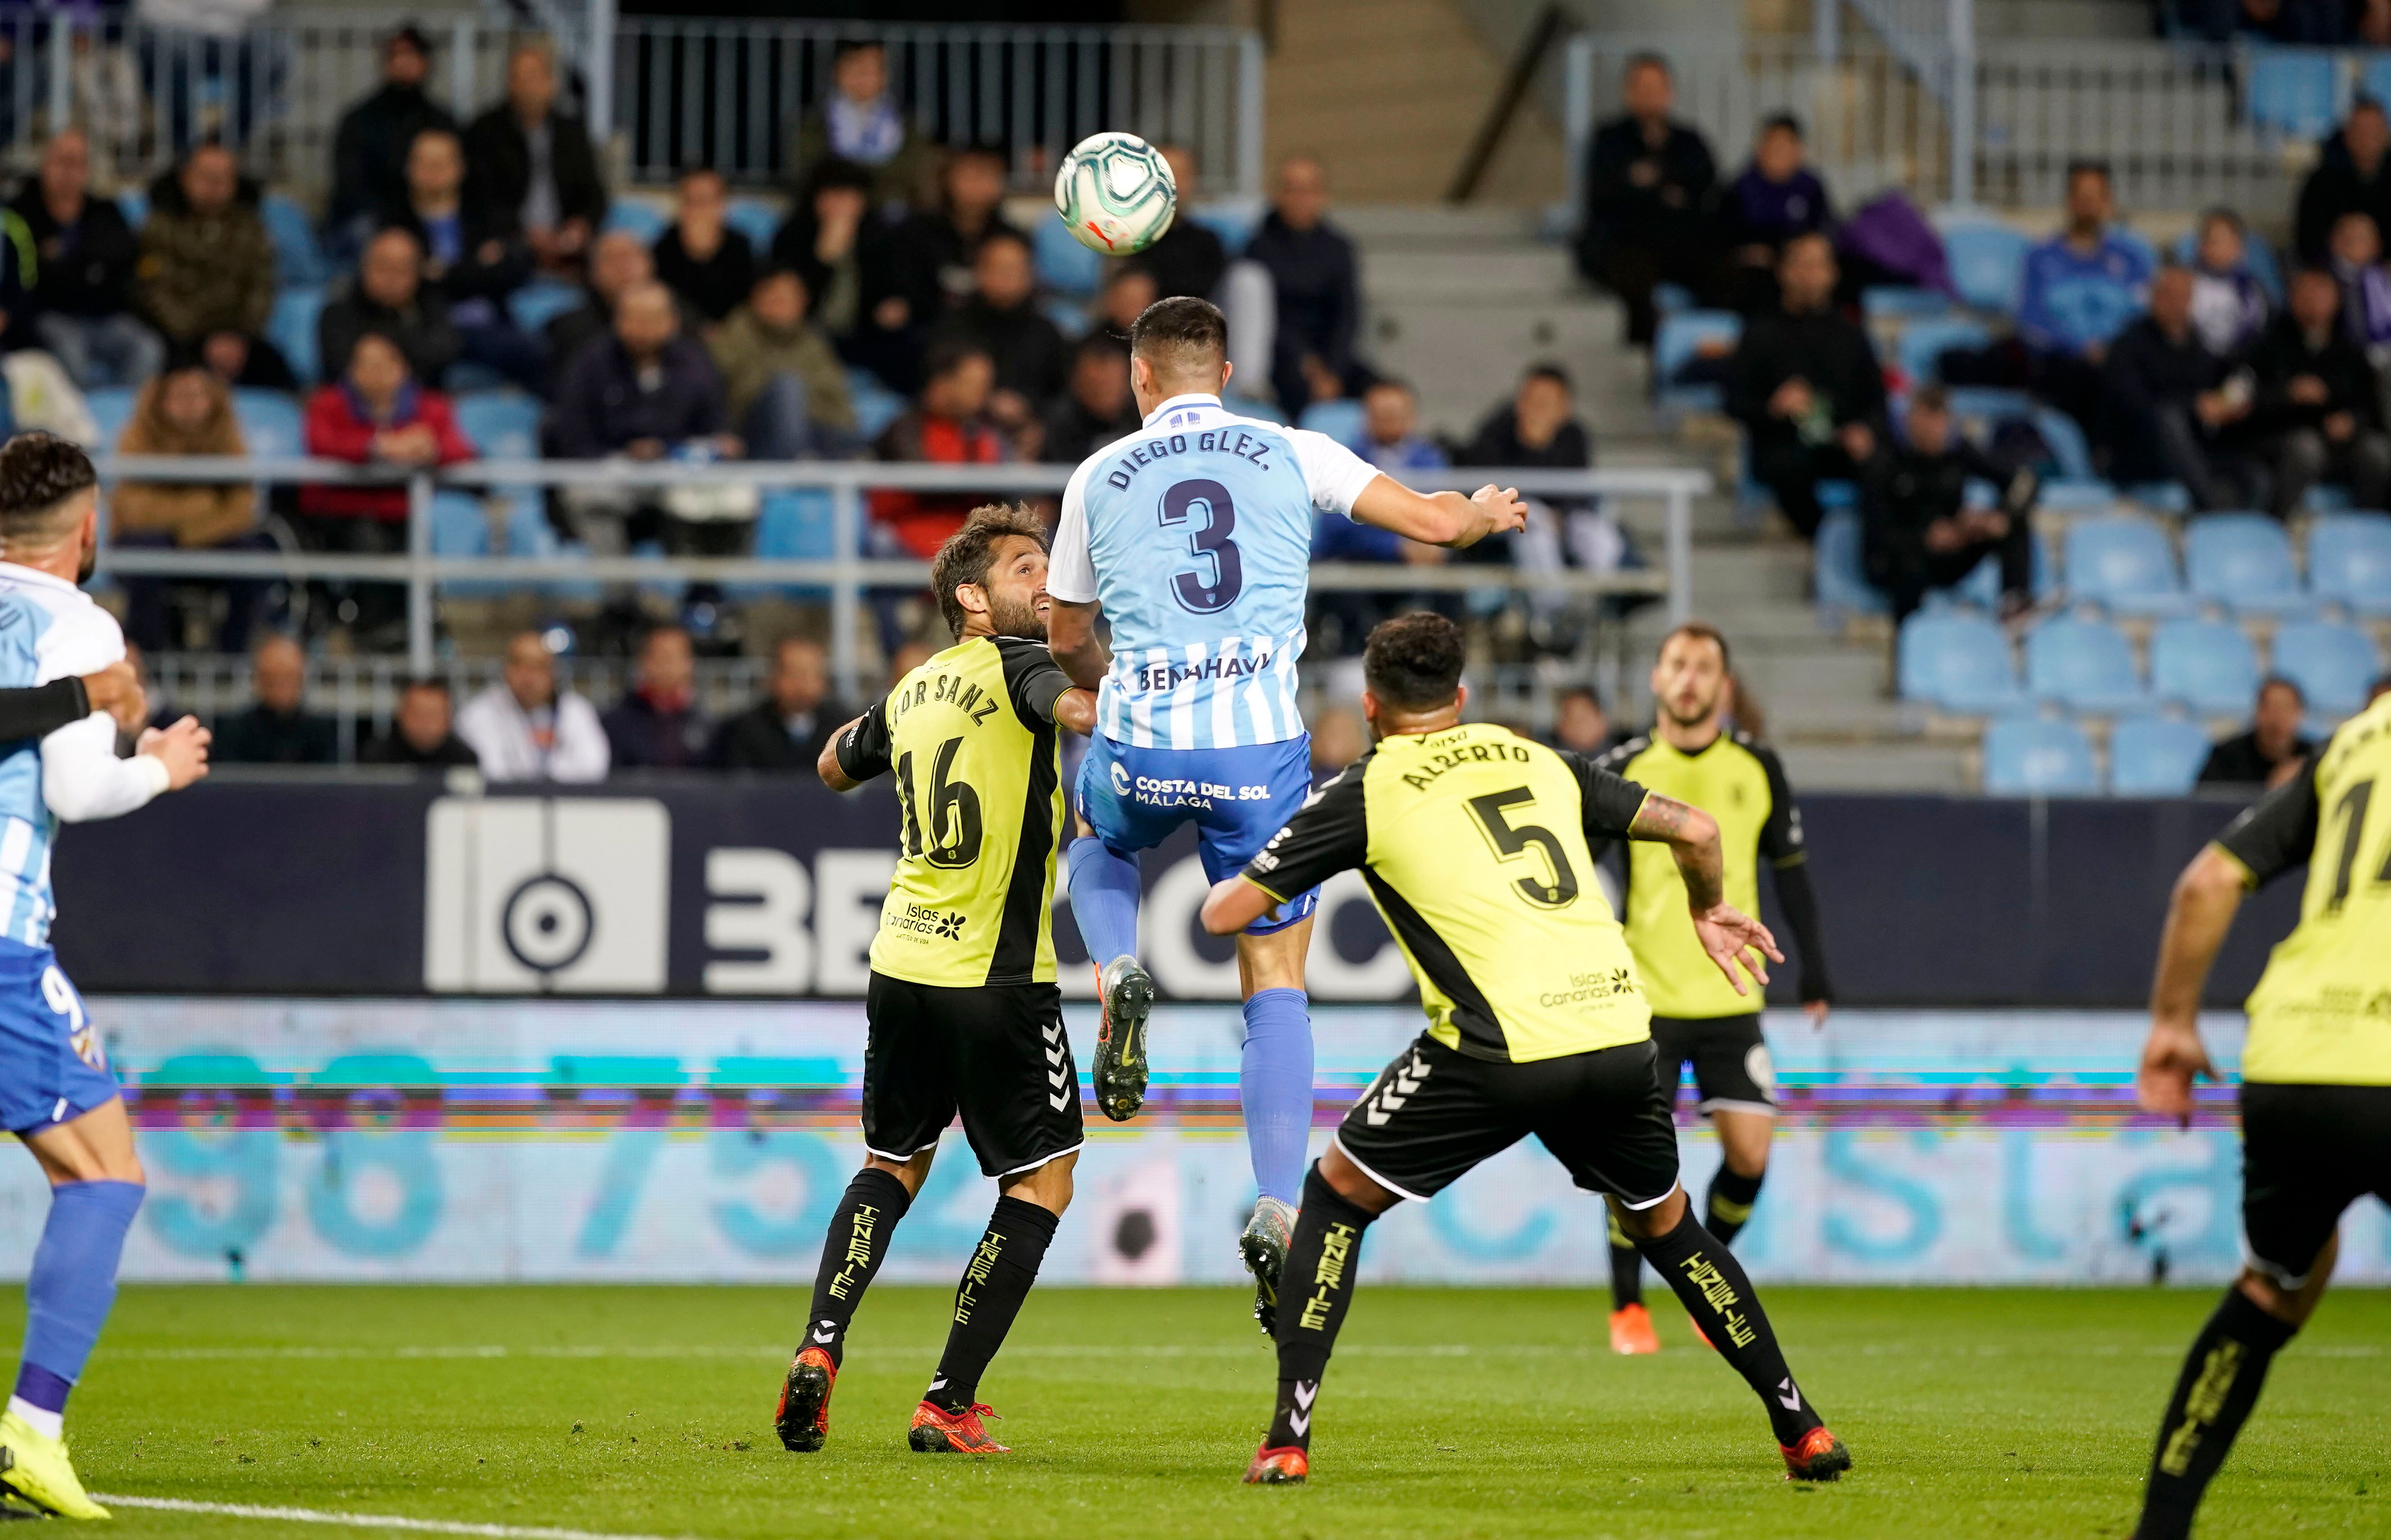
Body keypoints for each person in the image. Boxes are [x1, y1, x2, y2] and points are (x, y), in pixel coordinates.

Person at [1196, 611, 1849, 1487]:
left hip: (1496, 1045)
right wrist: (1705, 906)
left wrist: (1264, 850)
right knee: (1668, 1224)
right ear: (1460, 699)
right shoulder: (1530, 758)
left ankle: (1286, 1437)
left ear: (1372, 703)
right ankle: (1798, 1425)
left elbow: (1223, 914)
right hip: (1619, 1033)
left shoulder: (1367, 786)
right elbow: (1695, 829)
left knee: (1333, 1197)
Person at [1041, 296, 1526, 1327]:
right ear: (1223, 374)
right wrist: (1482, 510)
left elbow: (1068, 630)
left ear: (1140, 381)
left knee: (1096, 834)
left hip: (1141, 738)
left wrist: (1107, 674)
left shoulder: (1094, 477)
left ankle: (1119, 965)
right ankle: (1274, 1200)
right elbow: (1438, 526)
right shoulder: (1289, 447)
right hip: (1257, 754)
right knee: (1276, 979)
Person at [773, 503, 1098, 1459]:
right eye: (1023, 568)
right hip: (996, 976)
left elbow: (834, 763)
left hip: (900, 964)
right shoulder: (1022, 663)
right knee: (1041, 1183)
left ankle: (819, 1350)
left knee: (891, 1165)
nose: (1044, 582)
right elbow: (1075, 709)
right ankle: (946, 1401)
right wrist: (1116, 685)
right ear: (971, 594)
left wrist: (885, 721)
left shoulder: (917, 688)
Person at [0, 433, 212, 1522]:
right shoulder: (76, 624)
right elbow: (77, 796)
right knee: (104, 1173)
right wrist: (160, 766)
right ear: (88, 529)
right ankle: (32, 1428)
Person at [2129, 683, 2391, 1540]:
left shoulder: (2352, 744)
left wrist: (2172, 1023)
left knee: (2277, 1286)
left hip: (2295, 1054)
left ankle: (2162, 1526)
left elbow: (2207, 882)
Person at [1594, 624, 1835, 1356]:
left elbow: (1789, 870)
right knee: (1631, 1160)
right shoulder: (1627, 766)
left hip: (1734, 998)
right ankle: (1628, 1307)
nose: (1690, 679)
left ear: (1725, 686)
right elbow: (1575, 866)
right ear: (1657, 680)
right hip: (1647, 1000)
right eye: (1677, 664)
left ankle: (1705, 1275)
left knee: (1751, 1155)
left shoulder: (1759, 766)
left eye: (1704, 667)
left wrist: (1815, 970)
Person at [549, 281, 739, 555]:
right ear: (617, 321)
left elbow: (712, 430)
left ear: (672, 322)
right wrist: (624, 454)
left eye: (652, 319)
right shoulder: (590, 363)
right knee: (587, 496)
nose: (642, 328)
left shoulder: (696, 365)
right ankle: (619, 593)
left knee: (724, 497)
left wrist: (669, 449)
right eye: (633, 318)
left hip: (676, 471)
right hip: (609, 470)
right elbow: (572, 434)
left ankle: (701, 590)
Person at [108, 359, 271, 654]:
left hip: (208, 541)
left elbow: (243, 507)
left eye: (197, 396)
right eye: (179, 397)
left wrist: (184, 532)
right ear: (161, 401)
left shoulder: (229, 436)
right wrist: (204, 504)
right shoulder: (136, 436)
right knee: (146, 552)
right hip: (152, 541)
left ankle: (232, 657)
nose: (189, 405)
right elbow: (133, 508)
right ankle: (149, 659)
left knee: (254, 557)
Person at [1730, 233, 1885, 541]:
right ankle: (1823, 540)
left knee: (1886, 465)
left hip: (1840, 442)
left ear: (1833, 273)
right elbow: (1734, 401)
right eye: (1803, 265)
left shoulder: (1851, 336)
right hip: (1785, 442)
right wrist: (1773, 407)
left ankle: (1877, 549)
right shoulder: (1760, 333)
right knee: (1787, 465)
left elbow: (1875, 399)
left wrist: (1865, 431)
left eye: (1819, 266)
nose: (1811, 275)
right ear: (1784, 271)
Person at [1861, 384, 2038, 624]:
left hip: (1952, 548)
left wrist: (1997, 517)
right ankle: (1909, 636)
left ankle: (2015, 609)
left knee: (2014, 525)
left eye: (1940, 423)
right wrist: (1924, 537)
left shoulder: (1958, 450)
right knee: (1908, 568)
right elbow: (1876, 534)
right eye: (1927, 423)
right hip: (1902, 555)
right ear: (1912, 419)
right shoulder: (1885, 460)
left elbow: (2023, 480)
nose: (1935, 432)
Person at [1577, 53, 1719, 348]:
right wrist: (1665, 188)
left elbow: (1705, 186)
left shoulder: (1689, 140)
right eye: (1642, 87)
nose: (1650, 96)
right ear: (1628, 92)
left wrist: (1647, 180)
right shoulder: (1609, 138)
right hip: (1625, 243)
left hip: (1682, 244)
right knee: (1634, 273)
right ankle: (1645, 349)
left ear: (1670, 92)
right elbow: (1605, 193)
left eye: (1657, 88)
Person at [383, 127, 542, 391]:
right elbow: (408, 285)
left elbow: (518, 270)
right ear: (409, 169)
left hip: (491, 323)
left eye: (442, 162)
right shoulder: (395, 223)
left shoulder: (486, 217)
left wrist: (444, 273)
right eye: (425, 162)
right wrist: (477, 270)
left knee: (539, 351)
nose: (433, 170)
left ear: (460, 167)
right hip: (425, 327)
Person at [12, 130, 160, 389]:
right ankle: (75, 427)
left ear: (88, 169)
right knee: (70, 353)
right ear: (45, 164)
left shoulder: (106, 211)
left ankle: (121, 422)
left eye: (77, 163)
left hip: (105, 317)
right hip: (50, 316)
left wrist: (66, 265)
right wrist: (89, 269)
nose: (69, 172)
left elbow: (124, 261)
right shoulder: (21, 212)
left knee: (147, 348)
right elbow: (30, 279)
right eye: (62, 161)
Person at [2104, 264, 2258, 511]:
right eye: (2169, 295)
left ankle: (2257, 536)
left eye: (2184, 296)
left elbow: (2225, 384)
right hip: (2141, 453)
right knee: (2169, 420)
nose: (2176, 303)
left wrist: (2227, 404)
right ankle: (2213, 511)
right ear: (2153, 297)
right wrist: (2193, 406)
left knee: (2255, 477)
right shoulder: (2128, 345)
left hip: (2198, 449)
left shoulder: (2199, 345)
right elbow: (2133, 406)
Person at [2018, 161, 2153, 440]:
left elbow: (2144, 317)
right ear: (2069, 200)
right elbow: (2030, 321)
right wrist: (2079, 348)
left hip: (2118, 365)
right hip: (2062, 368)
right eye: (2082, 196)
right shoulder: (2040, 259)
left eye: (2096, 197)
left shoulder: (2131, 259)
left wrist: (2111, 350)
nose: (2088, 205)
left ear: (2107, 202)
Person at [2242, 266, 2391, 519]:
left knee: (2377, 453)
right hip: (2283, 437)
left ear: (2336, 300)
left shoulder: (2350, 351)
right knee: (2306, 448)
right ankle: (2279, 523)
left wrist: (2351, 420)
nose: (2313, 300)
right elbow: (2246, 402)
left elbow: (2370, 407)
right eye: (2305, 293)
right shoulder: (2268, 344)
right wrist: (2287, 394)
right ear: (2292, 298)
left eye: (2321, 293)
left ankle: (2370, 528)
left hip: (2341, 443)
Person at [135, 143, 285, 387]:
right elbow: (155, 292)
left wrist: (241, 336)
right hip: (182, 340)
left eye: (223, 178)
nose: (214, 186)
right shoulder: (160, 227)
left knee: (278, 373)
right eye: (206, 177)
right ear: (186, 178)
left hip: (239, 339)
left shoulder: (252, 228)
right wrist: (202, 339)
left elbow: (262, 286)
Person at [300, 331, 475, 530]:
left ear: (402, 367)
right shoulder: (326, 404)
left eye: (384, 363)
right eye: (365, 364)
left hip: (409, 515)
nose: (375, 373)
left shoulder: (433, 408)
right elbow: (321, 444)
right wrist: (377, 446)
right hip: (342, 514)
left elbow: (462, 452)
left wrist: (430, 449)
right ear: (351, 370)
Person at [462, 43, 606, 275]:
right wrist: (525, 234)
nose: (528, 86)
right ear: (510, 85)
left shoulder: (571, 132)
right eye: (519, 77)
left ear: (552, 83)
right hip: (511, 240)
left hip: (566, 240)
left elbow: (593, 192)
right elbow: (481, 197)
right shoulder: (487, 130)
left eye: (535, 76)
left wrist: (580, 224)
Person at [771, 158, 913, 393]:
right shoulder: (792, 235)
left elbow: (896, 290)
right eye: (833, 196)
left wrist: (893, 306)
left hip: (863, 336)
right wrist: (823, 262)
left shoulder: (879, 236)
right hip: (806, 335)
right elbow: (788, 301)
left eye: (849, 197)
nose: (841, 206)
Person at [1245, 157, 1366, 416]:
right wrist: (1306, 362)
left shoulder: (1339, 248)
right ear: (1277, 194)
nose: (1301, 199)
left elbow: (1348, 313)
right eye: (1292, 190)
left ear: (1323, 196)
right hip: (1280, 357)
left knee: (1382, 390)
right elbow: (1265, 318)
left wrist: (1333, 369)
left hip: (1330, 355)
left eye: (1309, 190)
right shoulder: (1258, 247)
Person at [869, 339, 1007, 563]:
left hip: (967, 541)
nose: (982, 394)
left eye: (986, 386)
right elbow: (928, 487)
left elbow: (996, 494)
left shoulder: (985, 434)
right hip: (907, 538)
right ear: (941, 385)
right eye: (973, 384)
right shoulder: (904, 430)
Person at [325, 24, 456, 249]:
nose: (404, 63)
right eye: (397, 56)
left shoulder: (442, 121)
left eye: (412, 55)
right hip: (373, 220)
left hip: (427, 219)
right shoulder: (359, 121)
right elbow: (350, 187)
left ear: (426, 63)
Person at [708, 266, 857, 461]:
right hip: (750, 436)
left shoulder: (814, 344)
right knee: (788, 388)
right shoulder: (734, 335)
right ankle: (796, 469)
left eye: (792, 299)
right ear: (758, 299)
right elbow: (735, 397)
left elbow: (838, 402)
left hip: (813, 430)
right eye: (778, 299)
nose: (785, 306)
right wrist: (788, 392)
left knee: (855, 439)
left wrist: (803, 405)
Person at [934, 226, 1066, 444]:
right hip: (962, 437)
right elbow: (936, 392)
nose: (1007, 277)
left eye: (1016, 269)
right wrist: (985, 401)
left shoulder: (1047, 332)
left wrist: (1034, 420)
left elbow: (1061, 394)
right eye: (999, 268)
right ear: (979, 272)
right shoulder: (953, 327)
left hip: (1032, 440)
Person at [785, 39, 933, 214]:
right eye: (856, 68)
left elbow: (915, 172)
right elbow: (812, 171)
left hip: (892, 210)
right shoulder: (814, 122)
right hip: (835, 211)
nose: (864, 77)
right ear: (837, 72)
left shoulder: (908, 124)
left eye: (873, 69)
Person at [455, 630, 609, 782]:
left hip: (568, 803)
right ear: (506, 670)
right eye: (520, 665)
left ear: (552, 672)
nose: (528, 677)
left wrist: (549, 780)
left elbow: (594, 766)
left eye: (538, 667)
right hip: (505, 804)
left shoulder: (577, 710)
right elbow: (491, 772)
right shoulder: (478, 714)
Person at [317, 226, 461, 389]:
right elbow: (341, 369)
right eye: (382, 267)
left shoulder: (431, 306)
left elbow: (445, 352)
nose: (391, 278)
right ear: (364, 267)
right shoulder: (337, 314)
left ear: (418, 274)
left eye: (401, 270)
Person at [1720, 113, 1831, 314]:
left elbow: (1825, 230)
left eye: (1785, 145)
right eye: (1772, 144)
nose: (1778, 151)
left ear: (1798, 149)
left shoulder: (1811, 186)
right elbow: (1724, 236)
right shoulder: (1741, 187)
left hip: (1801, 262)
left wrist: (1805, 257)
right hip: (1755, 270)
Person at [542, 230, 655, 393]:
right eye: (612, 259)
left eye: (631, 257)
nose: (624, 267)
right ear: (593, 273)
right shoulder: (571, 330)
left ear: (650, 266)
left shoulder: (678, 317)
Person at [716, 635, 847, 770]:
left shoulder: (844, 728)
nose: (801, 685)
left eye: (810, 674)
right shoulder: (744, 730)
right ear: (774, 677)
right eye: (794, 673)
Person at [601, 625, 714, 771]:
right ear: (643, 661)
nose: (665, 666)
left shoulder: (709, 728)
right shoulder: (614, 725)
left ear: (689, 663)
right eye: (659, 656)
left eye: (673, 657)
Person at [2294, 95, 2391, 266]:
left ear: (2386, 134)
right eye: (2361, 130)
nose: (2368, 139)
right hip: (2333, 272)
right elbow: (2308, 241)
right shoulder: (2321, 181)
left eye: (2374, 131)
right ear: (2347, 135)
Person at [212, 633, 336, 765]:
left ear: (301, 679)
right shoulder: (234, 733)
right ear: (258, 679)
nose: (282, 687)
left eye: (289, 678)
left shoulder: (321, 733)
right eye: (273, 678)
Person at [653, 167, 755, 325]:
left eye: (707, 200)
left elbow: (748, 301)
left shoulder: (741, 246)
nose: (700, 210)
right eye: (692, 201)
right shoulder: (663, 245)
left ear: (723, 204)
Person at [1135, 143, 1227, 302]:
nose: (1171, 182)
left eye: (1179, 174)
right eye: (1163, 173)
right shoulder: (1127, 239)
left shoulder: (1206, 242)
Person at [2197, 676, 2316, 790]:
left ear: (2300, 713)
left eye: (2286, 708)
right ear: (2257, 711)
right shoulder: (2226, 758)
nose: (2277, 718)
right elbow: (2204, 802)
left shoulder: (2313, 758)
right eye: (2270, 708)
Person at [1037, 333, 1138, 466]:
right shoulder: (1057, 426)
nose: (1105, 393)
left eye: (1112, 384)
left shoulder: (1144, 418)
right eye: (1095, 385)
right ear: (1077, 384)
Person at [2188, 209, 2269, 359]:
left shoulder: (2251, 289)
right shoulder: (2185, 284)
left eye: (2219, 241)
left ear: (2239, 246)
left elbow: (2258, 336)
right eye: (2208, 240)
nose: (2212, 247)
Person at [359, 675, 478, 768]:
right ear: (402, 714)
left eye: (433, 715)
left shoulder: (465, 760)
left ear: (448, 717)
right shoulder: (376, 758)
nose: (425, 724)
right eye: (418, 714)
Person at [1356, 376, 1447, 472]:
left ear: (1411, 415)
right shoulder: (1353, 457)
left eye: (1392, 415)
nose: (1386, 423)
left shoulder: (1430, 458)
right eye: (1379, 415)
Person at [1550, 684, 1617, 757]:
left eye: (1584, 718)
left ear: (1602, 720)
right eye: (1571, 719)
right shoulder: (1551, 759)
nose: (1578, 726)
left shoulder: (1621, 761)